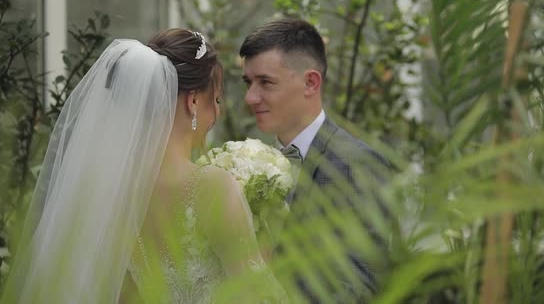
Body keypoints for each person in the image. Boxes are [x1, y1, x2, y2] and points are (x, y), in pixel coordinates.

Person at [1, 29, 285, 304]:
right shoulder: (212, 187)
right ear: (194, 101)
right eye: (218, 98)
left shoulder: (111, 193)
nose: (219, 111)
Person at [240, 18, 394, 303]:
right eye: (248, 82)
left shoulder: (357, 163)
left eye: (265, 82)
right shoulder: (245, 164)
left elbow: (364, 286)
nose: (250, 97)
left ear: (311, 82)